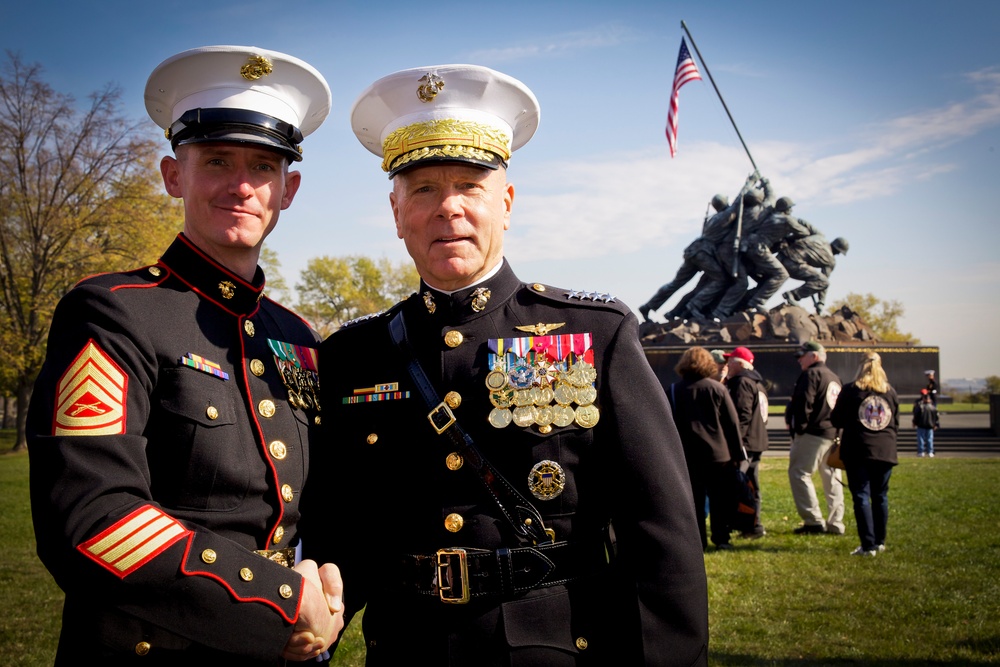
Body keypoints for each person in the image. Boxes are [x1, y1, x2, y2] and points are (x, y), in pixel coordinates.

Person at [300, 64, 709, 665]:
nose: (449, 208)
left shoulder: (596, 333)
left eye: (470, 185)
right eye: (423, 190)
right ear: (395, 213)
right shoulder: (354, 355)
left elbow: (661, 534)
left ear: (507, 202)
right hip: (406, 651)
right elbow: (339, 528)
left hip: (554, 649)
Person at [27, 45, 343, 664]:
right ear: (174, 175)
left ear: (289, 189)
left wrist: (323, 591)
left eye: (264, 166)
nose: (241, 185)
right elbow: (93, 519)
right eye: (217, 160)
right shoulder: (113, 310)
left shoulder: (298, 336)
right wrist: (282, 601)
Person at [668, 347, 746, 552]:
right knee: (720, 500)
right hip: (718, 455)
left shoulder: (674, 391)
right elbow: (731, 424)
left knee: (694, 501)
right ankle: (721, 538)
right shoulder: (718, 389)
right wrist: (738, 455)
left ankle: (697, 541)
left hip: (687, 456)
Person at [831, 352, 899, 556]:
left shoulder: (851, 390)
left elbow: (836, 420)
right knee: (880, 496)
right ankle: (880, 541)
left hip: (858, 450)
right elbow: (895, 422)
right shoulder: (890, 392)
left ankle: (868, 545)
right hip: (885, 450)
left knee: (861, 496)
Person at [785, 340, 846, 535]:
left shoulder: (811, 374)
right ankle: (836, 522)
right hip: (832, 433)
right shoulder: (833, 376)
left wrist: (799, 430)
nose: (799, 360)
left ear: (815, 356)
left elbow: (804, 404)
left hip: (813, 433)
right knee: (832, 478)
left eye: (802, 355)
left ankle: (813, 521)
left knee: (799, 473)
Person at [724, 346, 769, 538]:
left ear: (740, 364)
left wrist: (736, 442)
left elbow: (741, 415)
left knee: (739, 485)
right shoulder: (757, 382)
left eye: (730, 361)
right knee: (751, 485)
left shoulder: (742, 382)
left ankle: (748, 524)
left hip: (746, 444)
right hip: (756, 441)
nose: (727, 364)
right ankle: (753, 524)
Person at [778, 234, 849, 314]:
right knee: (823, 282)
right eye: (839, 251)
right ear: (837, 248)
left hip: (781, 256)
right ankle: (793, 294)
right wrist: (821, 302)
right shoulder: (831, 260)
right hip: (793, 265)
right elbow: (822, 282)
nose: (838, 254)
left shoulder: (820, 238)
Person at [912, 389, 940, 457]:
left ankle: (921, 452)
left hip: (921, 425)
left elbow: (916, 416)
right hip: (929, 425)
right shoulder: (933, 408)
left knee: (921, 439)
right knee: (929, 439)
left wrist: (914, 422)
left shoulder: (920, 407)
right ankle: (930, 451)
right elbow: (936, 417)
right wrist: (936, 424)